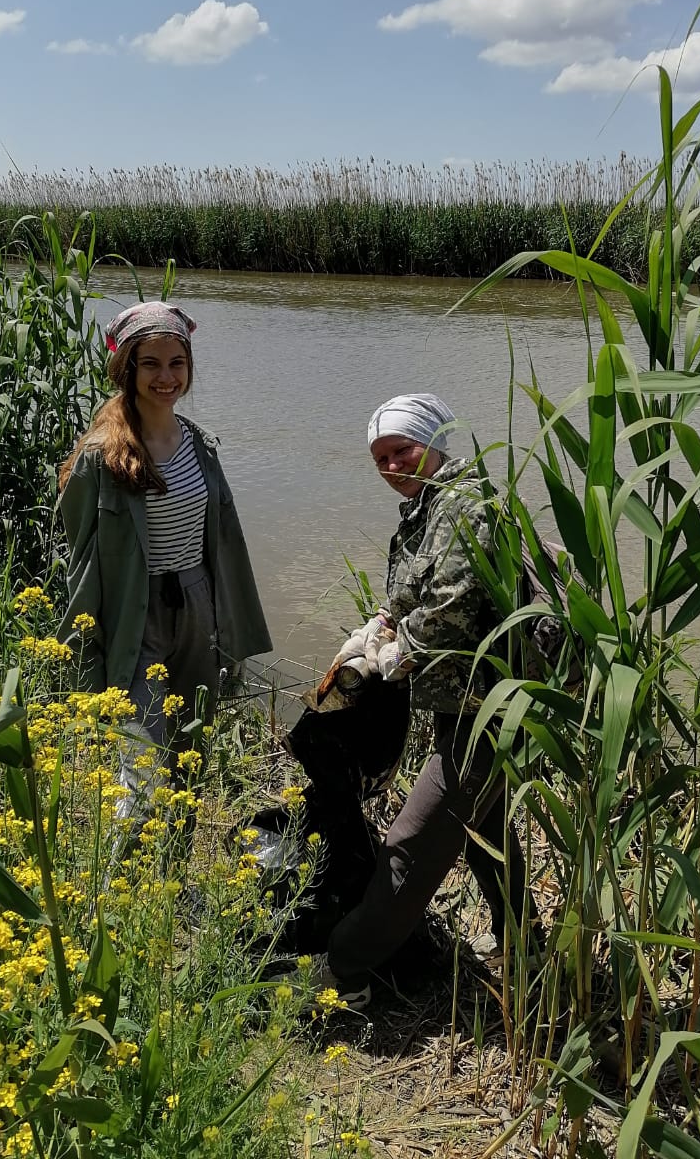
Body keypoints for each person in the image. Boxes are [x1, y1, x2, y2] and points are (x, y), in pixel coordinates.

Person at [309, 392, 537, 1008]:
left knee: (412, 841)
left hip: (496, 706)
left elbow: (452, 609)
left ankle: (344, 972)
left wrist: (394, 650)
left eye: (402, 451)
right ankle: (530, 953)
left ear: (436, 441)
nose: (391, 467)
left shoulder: (464, 506)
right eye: (380, 458)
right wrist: (377, 627)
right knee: (485, 827)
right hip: (460, 703)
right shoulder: (424, 509)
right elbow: (413, 595)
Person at [58, 300, 271, 873]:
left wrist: (230, 633)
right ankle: (120, 888)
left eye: (177, 362)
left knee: (191, 758)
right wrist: (84, 654)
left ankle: (171, 881)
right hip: (135, 616)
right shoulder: (100, 458)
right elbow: (79, 561)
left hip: (197, 606)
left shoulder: (200, 445)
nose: (166, 377)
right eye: (150, 363)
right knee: (142, 765)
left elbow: (223, 544)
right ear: (125, 368)